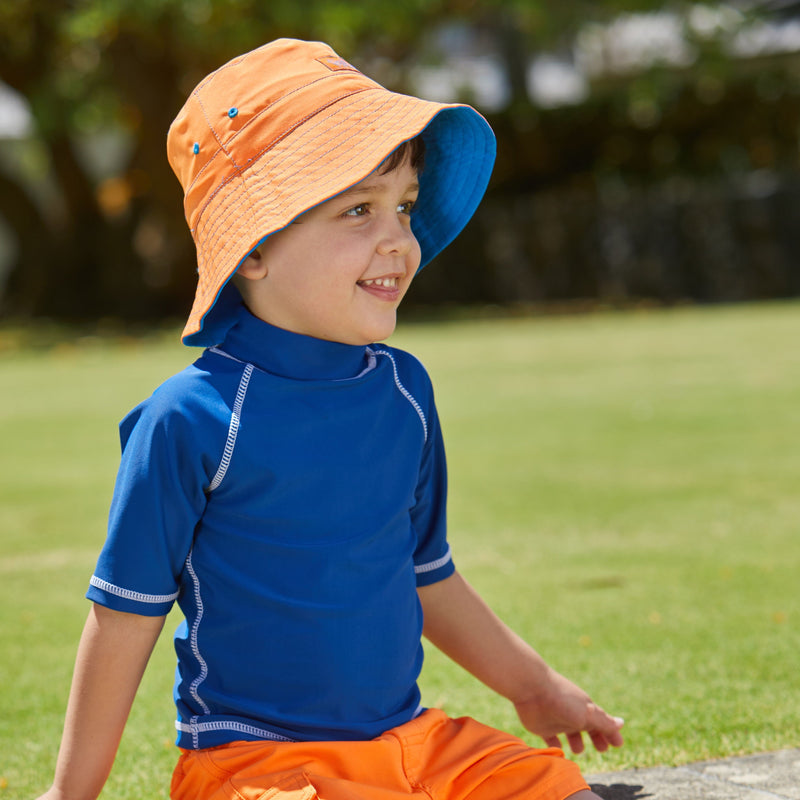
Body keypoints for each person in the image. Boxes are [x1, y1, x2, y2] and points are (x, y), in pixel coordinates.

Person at [37, 39, 624, 800]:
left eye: (405, 206)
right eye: (357, 209)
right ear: (252, 249)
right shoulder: (190, 419)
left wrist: (533, 685)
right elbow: (124, 615)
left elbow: (427, 574)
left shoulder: (405, 391)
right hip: (260, 768)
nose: (398, 241)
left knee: (562, 792)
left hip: (416, 747)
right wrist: (70, 793)